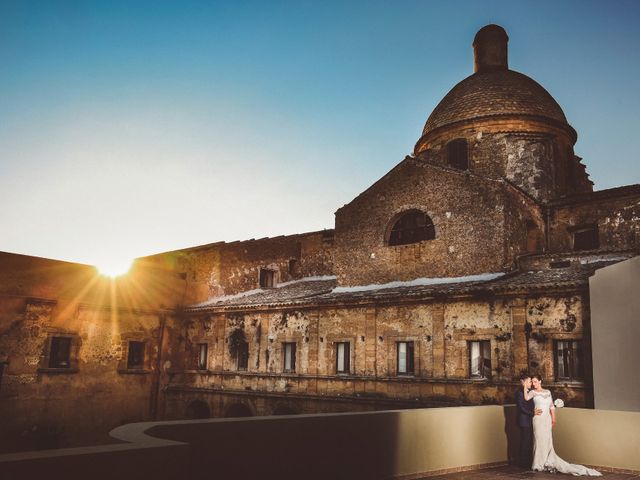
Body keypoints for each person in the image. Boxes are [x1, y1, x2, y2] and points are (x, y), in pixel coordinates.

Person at [524, 374, 601, 476]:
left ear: (540, 381)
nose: (534, 384)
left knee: (547, 440)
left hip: (547, 419)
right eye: (532, 382)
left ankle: (547, 460)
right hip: (538, 419)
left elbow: (551, 406)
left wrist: (554, 418)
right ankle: (538, 463)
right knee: (538, 440)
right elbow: (526, 398)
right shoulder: (533, 392)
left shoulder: (548, 392)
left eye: (535, 381)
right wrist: (525, 386)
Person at [515, 373, 541, 468]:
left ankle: (528, 461)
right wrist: (532, 413)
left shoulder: (530, 391)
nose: (531, 383)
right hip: (524, 420)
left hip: (529, 420)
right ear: (524, 382)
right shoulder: (519, 392)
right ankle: (523, 463)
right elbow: (521, 408)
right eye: (530, 381)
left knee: (528, 441)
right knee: (525, 441)